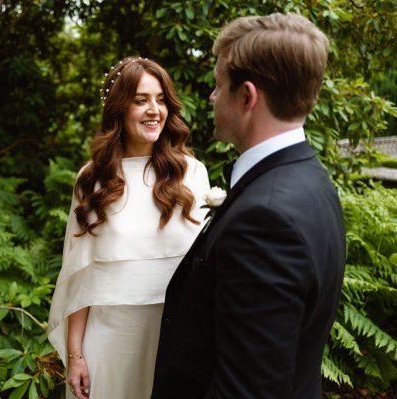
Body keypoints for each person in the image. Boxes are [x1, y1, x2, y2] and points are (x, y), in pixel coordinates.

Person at [152, 13, 346, 399]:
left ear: (247, 96)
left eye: (218, 85)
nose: (211, 97)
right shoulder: (314, 180)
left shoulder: (265, 220)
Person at [47, 57, 211, 399]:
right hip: (109, 342)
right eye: (141, 100)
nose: (154, 110)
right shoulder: (92, 180)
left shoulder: (192, 175)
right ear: (119, 108)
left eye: (161, 99)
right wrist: (75, 355)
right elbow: (80, 275)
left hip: (175, 341)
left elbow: (205, 272)